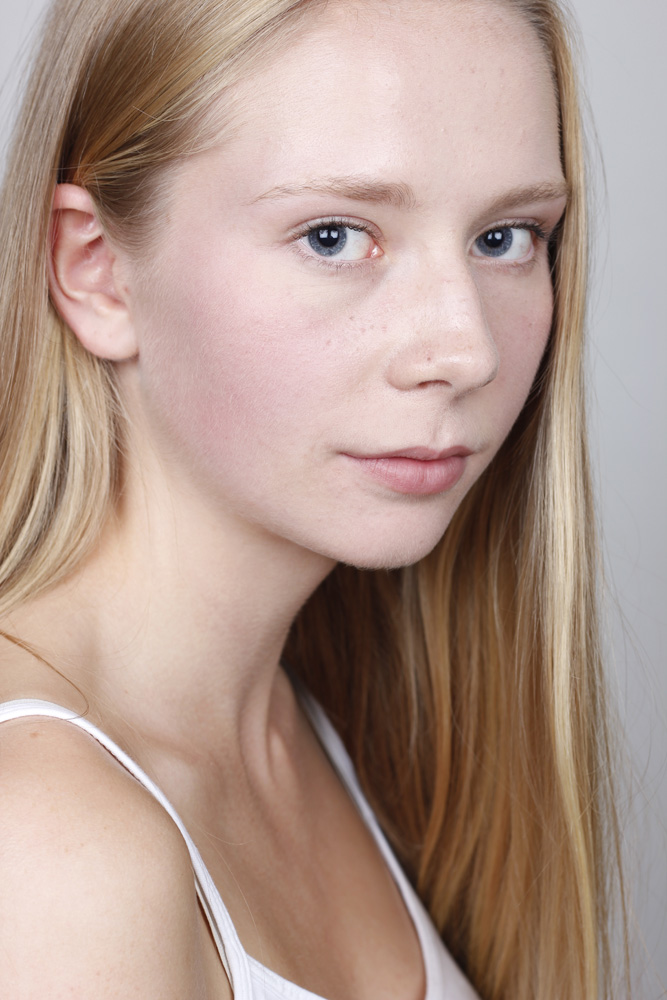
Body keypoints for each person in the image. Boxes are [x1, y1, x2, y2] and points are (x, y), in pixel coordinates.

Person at [0, 0, 628, 997]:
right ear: (98, 270)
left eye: (505, 237)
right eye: (334, 236)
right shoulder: (47, 849)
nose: (464, 348)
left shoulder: (326, 717)